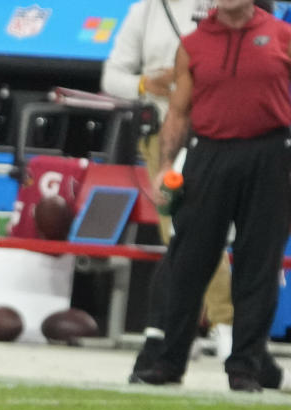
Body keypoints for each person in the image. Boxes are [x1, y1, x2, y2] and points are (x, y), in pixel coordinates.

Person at [130, 0, 291, 392]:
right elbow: (178, 110)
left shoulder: (284, 37)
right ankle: (169, 361)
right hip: (208, 155)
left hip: (270, 154)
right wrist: (167, 165)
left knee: (259, 263)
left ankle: (245, 366)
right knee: (188, 260)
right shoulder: (193, 44)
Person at [102, 0, 236, 362]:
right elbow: (112, 77)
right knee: (178, 232)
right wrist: (148, 82)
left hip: (220, 131)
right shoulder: (145, 11)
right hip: (164, 135)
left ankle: (218, 325)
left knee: (205, 230)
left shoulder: (224, 5)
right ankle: (205, 326)